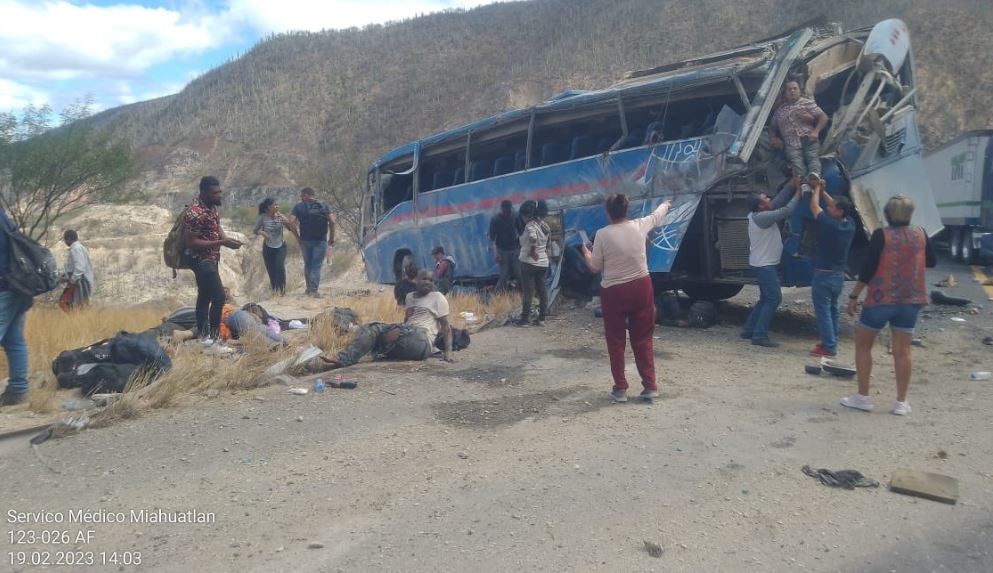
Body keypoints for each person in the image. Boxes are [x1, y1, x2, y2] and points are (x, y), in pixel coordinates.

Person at [843, 195, 936, 416]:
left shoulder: (881, 235)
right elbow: (931, 261)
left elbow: (868, 269)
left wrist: (854, 296)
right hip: (911, 301)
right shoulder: (921, 233)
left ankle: (863, 397)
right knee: (903, 352)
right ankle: (901, 403)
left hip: (880, 299)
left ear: (886, 214)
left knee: (863, 346)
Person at [580, 194, 671, 402]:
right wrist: (666, 204)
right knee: (643, 338)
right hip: (641, 286)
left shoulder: (602, 234)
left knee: (616, 340)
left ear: (607, 212)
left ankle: (620, 388)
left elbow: (595, 267)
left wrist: (586, 253)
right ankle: (650, 385)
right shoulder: (640, 225)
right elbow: (657, 216)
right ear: (627, 209)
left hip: (613, 291)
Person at [314, 269, 454, 369]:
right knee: (371, 328)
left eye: (431, 280)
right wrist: (404, 322)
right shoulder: (410, 297)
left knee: (400, 332)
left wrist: (448, 352)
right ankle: (343, 359)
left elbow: (446, 327)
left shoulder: (437, 297)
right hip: (406, 334)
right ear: (416, 280)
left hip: (422, 339)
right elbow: (407, 321)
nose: (428, 282)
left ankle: (381, 346)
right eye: (424, 278)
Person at [741, 182, 802, 347]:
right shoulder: (763, 218)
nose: (769, 198)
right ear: (761, 205)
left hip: (761, 264)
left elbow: (778, 202)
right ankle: (759, 335)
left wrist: (791, 184)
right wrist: (799, 192)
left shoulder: (758, 214)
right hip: (765, 266)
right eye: (765, 198)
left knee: (765, 298)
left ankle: (748, 329)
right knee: (774, 298)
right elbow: (787, 210)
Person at [183, 176, 243, 342]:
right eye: (215, 193)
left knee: (204, 297)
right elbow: (191, 242)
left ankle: (204, 336)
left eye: (219, 192)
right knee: (218, 298)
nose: (219, 195)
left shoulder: (211, 207)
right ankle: (215, 338)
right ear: (204, 193)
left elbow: (216, 226)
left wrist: (226, 241)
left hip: (212, 258)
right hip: (202, 260)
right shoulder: (195, 213)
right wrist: (222, 241)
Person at [808, 178, 856, 357]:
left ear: (840, 211)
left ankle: (829, 347)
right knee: (833, 310)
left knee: (823, 313)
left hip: (823, 276)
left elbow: (815, 207)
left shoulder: (831, 225)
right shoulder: (849, 224)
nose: (829, 208)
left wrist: (816, 191)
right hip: (837, 276)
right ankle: (832, 341)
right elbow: (832, 204)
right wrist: (822, 190)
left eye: (833, 207)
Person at [0, 208, 32, 407]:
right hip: (20, 287)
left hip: (4, 289)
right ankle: (18, 390)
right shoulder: (5, 220)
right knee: (14, 341)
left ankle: (18, 389)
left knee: (14, 342)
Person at [770, 80, 828, 179]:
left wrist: (816, 132)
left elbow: (823, 117)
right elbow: (772, 127)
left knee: (812, 157)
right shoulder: (779, 112)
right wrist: (773, 138)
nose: (792, 91)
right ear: (785, 94)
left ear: (799, 91)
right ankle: (804, 185)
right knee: (797, 166)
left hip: (808, 138)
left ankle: (815, 177)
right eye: (789, 90)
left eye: (795, 89)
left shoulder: (807, 103)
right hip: (791, 145)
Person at [290, 187, 335, 297]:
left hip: (305, 240)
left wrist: (298, 238)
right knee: (316, 266)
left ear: (306, 194)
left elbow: (291, 222)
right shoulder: (324, 205)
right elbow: (332, 222)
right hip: (320, 240)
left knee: (308, 265)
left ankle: (309, 289)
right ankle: (313, 291)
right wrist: (331, 238)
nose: (301, 198)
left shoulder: (298, 207)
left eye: (302, 195)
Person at [254, 197, 298, 296]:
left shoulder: (280, 216)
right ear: (269, 207)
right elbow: (255, 230)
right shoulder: (263, 217)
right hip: (268, 247)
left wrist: (286, 222)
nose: (277, 206)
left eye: (277, 204)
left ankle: (282, 291)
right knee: (271, 270)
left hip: (281, 246)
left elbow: (290, 228)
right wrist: (262, 233)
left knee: (280, 267)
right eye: (275, 204)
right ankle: (275, 291)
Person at [517, 200, 550, 326]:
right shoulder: (544, 225)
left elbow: (533, 238)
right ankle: (541, 318)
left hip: (529, 263)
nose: (522, 218)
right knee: (542, 291)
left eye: (523, 216)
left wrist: (532, 251)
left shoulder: (530, 226)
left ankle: (524, 319)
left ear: (527, 215)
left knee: (528, 292)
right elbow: (548, 239)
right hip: (543, 263)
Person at [59, 229, 94, 311]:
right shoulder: (79, 247)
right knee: (73, 304)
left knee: (68, 303)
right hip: (79, 280)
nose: (65, 241)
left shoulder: (76, 248)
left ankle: (75, 321)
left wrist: (72, 280)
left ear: (69, 238)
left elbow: (80, 267)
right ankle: (75, 321)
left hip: (80, 281)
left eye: (65, 239)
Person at [489, 200, 521, 292]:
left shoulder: (515, 216)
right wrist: (496, 254)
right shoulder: (495, 219)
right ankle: (498, 295)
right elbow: (492, 239)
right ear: (502, 209)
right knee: (504, 275)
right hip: (502, 251)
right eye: (506, 211)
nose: (508, 213)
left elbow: (521, 232)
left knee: (519, 273)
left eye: (509, 211)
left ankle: (523, 294)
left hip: (515, 249)